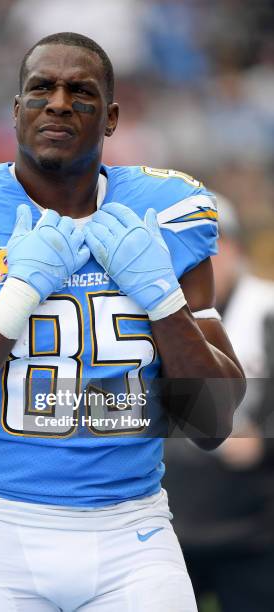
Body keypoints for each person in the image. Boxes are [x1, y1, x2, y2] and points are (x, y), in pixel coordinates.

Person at [0, 32, 245, 612]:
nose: (59, 103)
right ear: (16, 109)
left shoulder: (165, 213)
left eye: (82, 92)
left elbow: (215, 421)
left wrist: (162, 301)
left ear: (113, 116)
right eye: (41, 88)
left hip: (133, 530)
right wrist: (18, 295)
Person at [164, 196, 274, 612]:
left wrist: (258, 436)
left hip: (254, 527)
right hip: (171, 522)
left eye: (213, 244)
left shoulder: (266, 307)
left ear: (236, 249)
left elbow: (248, 444)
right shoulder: (154, 312)